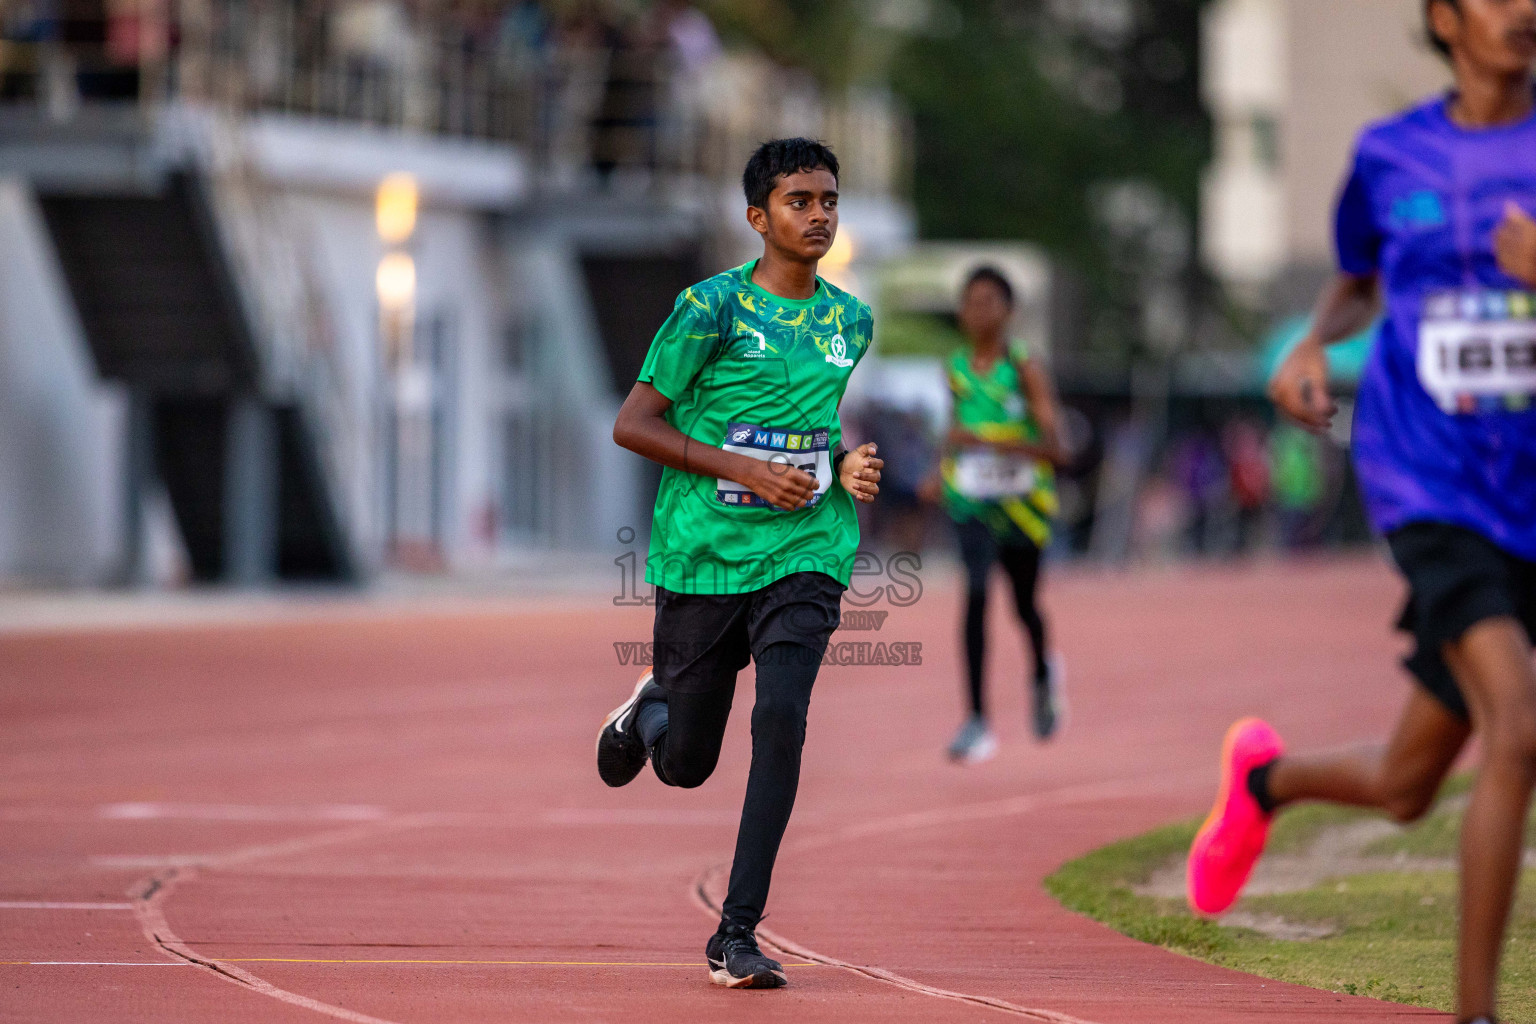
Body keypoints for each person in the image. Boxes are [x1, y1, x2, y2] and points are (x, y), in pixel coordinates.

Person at [1186, 3, 1536, 1022]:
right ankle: (1474, 1011)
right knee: (1516, 725)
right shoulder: (1392, 153)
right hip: (1429, 476)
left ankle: (1264, 784)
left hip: (1530, 489)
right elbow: (1357, 278)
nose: (1520, 11)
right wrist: (1307, 343)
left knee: (1407, 784)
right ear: (1443, 18)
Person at [594, 138, 883, 990]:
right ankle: (649, 711)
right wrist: (741, 468)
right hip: (705, 556)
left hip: (808, 551)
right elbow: (634, 424)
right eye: (800, 201)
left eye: (829, 199)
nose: (820, 215)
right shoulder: (708, 309)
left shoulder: (850, 321)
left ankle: (736, 932)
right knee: (688, 766)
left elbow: (812, 429)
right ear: (758, 217)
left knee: (782, 721)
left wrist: (847, 464)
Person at [926, 267, 1067, 763]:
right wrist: (938, 470)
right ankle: (976, 721)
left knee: (1024, 607)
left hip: (1023, 506)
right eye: (969, 301)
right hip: (971, 499)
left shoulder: (1024, 366)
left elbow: (1056, 446)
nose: (977, 311)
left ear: (1009, 311)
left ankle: (1044, 674)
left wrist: (990, 443)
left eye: (988, 301)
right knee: (977, 591)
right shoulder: (955, 367)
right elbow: (954, 429)